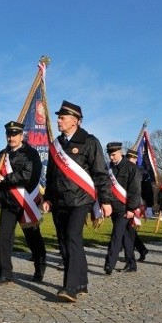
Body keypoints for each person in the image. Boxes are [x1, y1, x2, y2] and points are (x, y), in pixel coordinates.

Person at [42, 100, 113, 302]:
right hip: (59, 200)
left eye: (62, 117)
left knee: (72, 237)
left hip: (81, 200)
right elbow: (51, 175)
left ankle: (70, 287)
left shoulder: (90, 142)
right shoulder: (56, 145)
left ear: (75, 121)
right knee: (66, 242)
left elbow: (100, 173)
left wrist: (106, 200)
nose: (58, 120)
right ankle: (82, 282)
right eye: (59, 117)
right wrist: (48, 197)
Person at [0, 121, 46, 285]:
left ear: (21, 135)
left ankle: (40, 267)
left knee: (33, 239)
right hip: (8, 203)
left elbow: (28, 175)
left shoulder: (30, 154)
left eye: (14, 135)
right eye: (9, 135)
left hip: (25, 203)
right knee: (3, 237)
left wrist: (3, 178)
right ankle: (5, 275)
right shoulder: (3, 154)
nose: (11, 138)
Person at [104, 142, 141, 274]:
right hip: (113, 207)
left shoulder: (131, 168)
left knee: (116, 234)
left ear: (120, 152)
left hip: (125, 208)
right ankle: (131, 263)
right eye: (109, 155)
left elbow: (135, 190)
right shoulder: (109, 168)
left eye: (113, 154)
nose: (111, 158)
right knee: (125, 236)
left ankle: (109, 264)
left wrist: (131, 208)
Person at [125, 149, 150, 262]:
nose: (129, 160)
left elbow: (147, 189)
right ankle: (141, 249)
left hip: (136, 202)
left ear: (136, 159)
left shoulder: (142, 172)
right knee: (125, 229)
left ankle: (131, 255)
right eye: (128, 158)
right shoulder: (123, 169)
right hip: (123, 201)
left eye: (131, 158)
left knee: (129, 228)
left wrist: (147, 205)